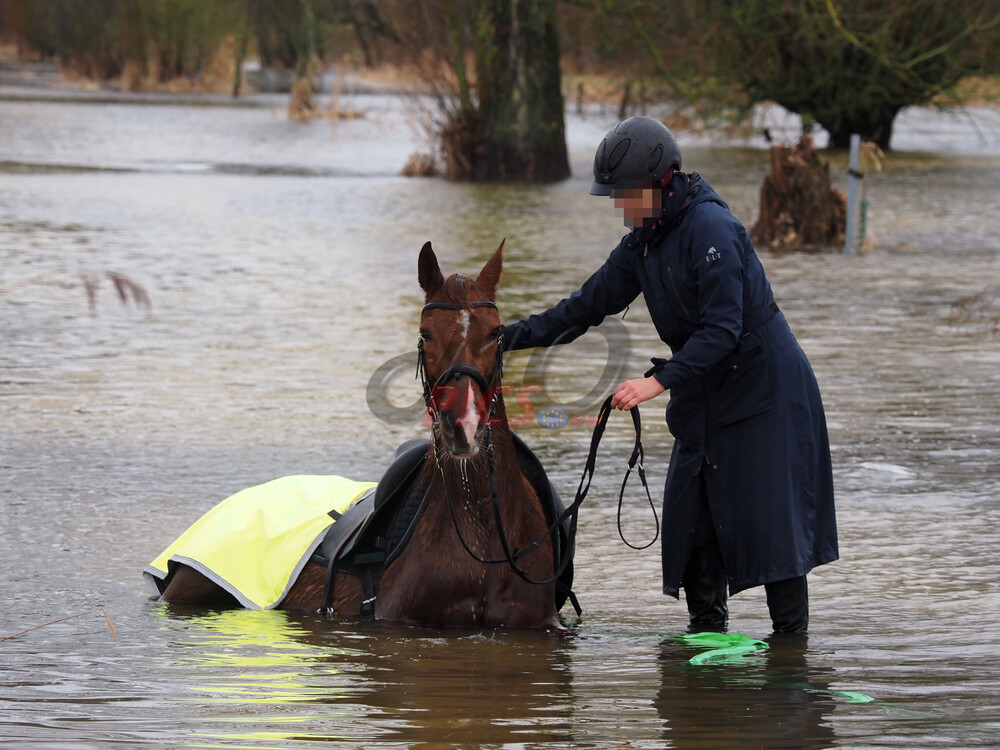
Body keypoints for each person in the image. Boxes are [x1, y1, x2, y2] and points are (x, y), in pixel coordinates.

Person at [502, 116, 838, 634]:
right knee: (693, 524)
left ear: (660, 183)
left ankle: (791, 653)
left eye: (625, 195)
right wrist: (502, 337)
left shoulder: (712, 229)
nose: (619, 207)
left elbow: (723, 329)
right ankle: (705, 638)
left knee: (774, 533)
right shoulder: (642, 242)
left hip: (766, 395)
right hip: (704, 393)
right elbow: (583, 308)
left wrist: (655, 383)